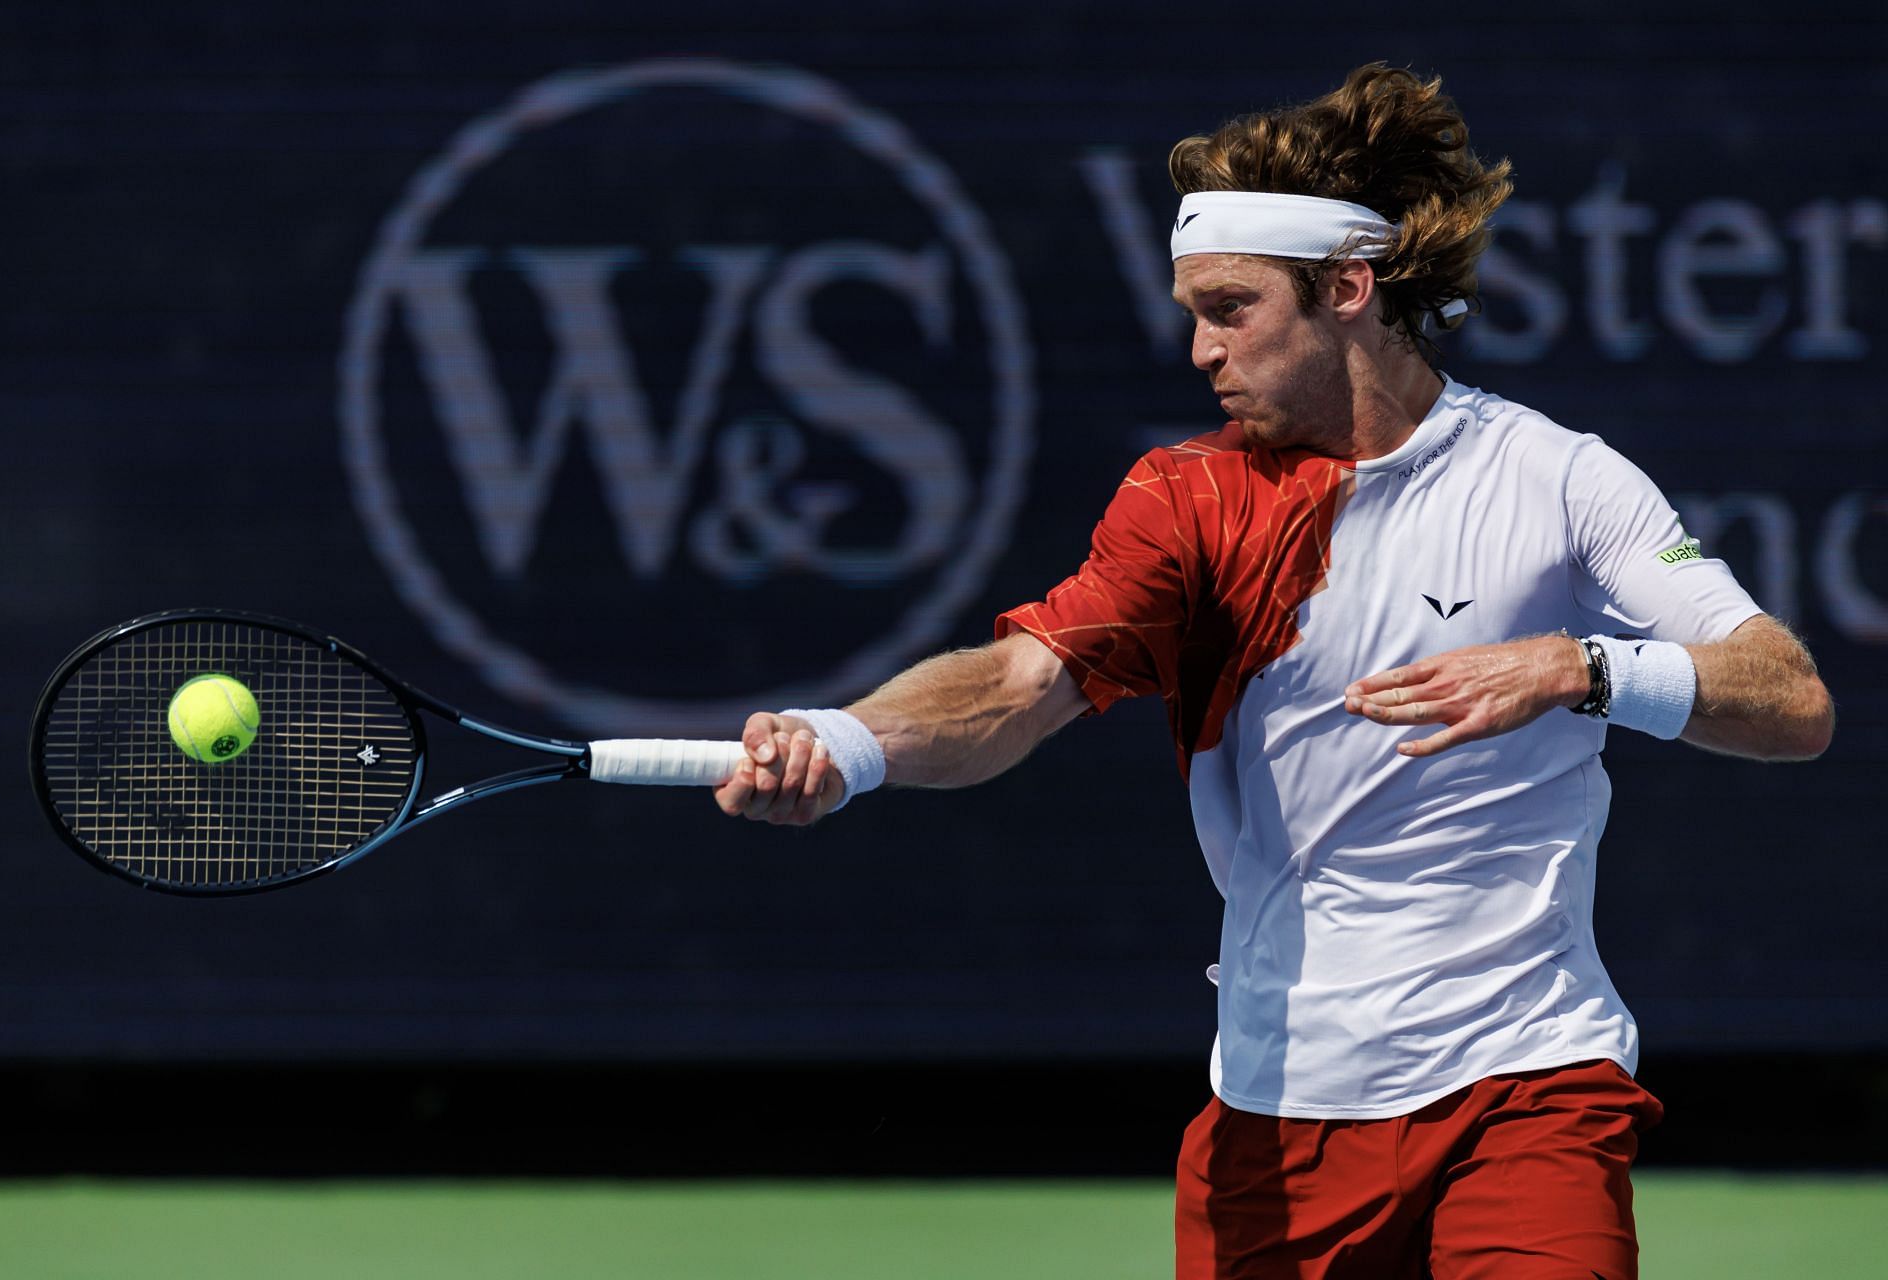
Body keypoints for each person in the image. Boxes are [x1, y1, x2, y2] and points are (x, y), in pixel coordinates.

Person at [712, 63, 1835, 1279]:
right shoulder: (1186, 499)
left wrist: (1584, 664)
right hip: (1280, 1106)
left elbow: (1789, 695)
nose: (1199, 349)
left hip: (1530, 1084)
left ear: (1348, 290)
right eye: (1192, 311)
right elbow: (1017, 686)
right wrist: (853, 743)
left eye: (1230, 308)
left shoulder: (1560, 478)